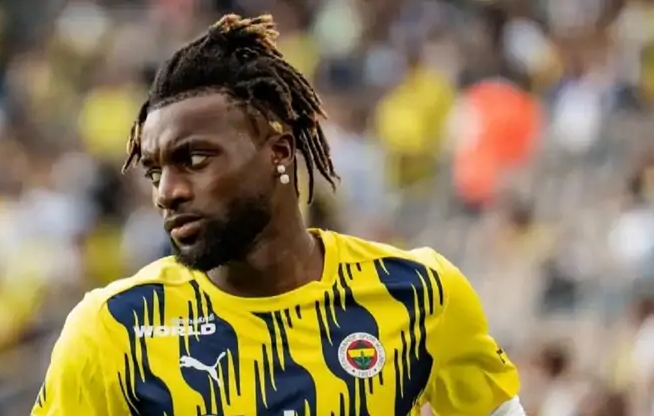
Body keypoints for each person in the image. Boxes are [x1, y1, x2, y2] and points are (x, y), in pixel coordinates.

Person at [32, 14, 524, 416]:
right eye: (155, 172)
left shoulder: (419, 294)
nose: (167, 192)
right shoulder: (113, 331)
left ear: (279, 153)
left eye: (195, 159)